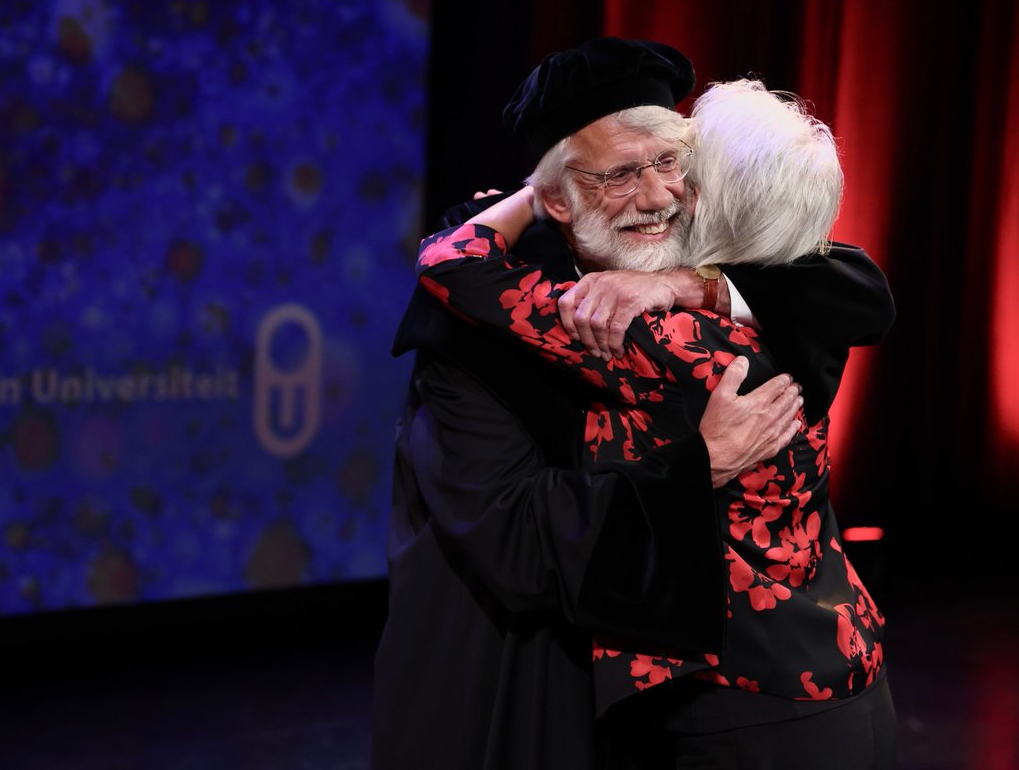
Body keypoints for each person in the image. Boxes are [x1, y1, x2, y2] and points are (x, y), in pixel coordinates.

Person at [372, 38, 895, 770]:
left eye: (669, 163)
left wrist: (672, 280)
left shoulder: (670, 314)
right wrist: (702, 459)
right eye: (619, 174)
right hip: (823, 665)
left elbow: (450, 263)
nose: (655, 197)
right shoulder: (761, 302)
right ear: (560, 198)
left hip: (747, 705)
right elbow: (513, 535)